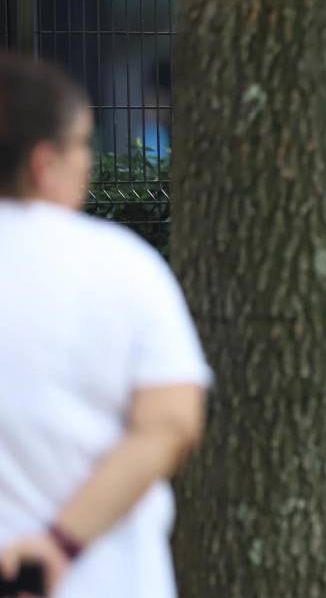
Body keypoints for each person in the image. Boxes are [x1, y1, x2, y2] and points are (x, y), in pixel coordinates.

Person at [0, 53, 211, 598]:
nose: (88, 162)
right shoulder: (121, 266)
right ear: (45, 163)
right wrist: (60, 544)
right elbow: (172, 422)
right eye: (83, 144)